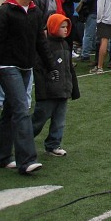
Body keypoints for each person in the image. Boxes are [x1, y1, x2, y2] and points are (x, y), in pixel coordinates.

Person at [0, 0, 57, 175]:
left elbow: (40, 41)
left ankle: (0, 157)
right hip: (7, 67)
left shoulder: (35, 11)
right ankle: (26, 159)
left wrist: (51, 66)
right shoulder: (5, 11)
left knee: (9, 111)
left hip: (26, 66)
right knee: (21, 109)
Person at [31, 14, 80, 157]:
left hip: (63, 91)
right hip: (48, 92)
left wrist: (74, 89)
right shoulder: (45, 46)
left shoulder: (65, 45)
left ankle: (53, 144)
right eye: (62, 27)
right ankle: (23, 139)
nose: (65, 30)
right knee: (38, 120)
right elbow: (39, 70)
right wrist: (42, 91)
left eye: (66, 27)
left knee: (59, 121)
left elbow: (69, 69)